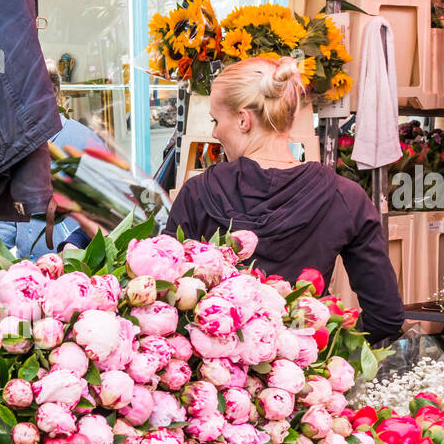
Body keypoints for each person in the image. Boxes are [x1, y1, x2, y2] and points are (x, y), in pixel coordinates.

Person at [164, 55, 405, 343]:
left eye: (216, 120)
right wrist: (322, 352)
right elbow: (386, 317)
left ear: (243, 119)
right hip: (309, 378)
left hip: (219, 376)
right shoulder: (346, 197)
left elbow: (166, 299)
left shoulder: (197, 193)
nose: (215, 132)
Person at [0, 65, 105, 259]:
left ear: (54, 97)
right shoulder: (17, 146)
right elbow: (11, 216)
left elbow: (105, 213)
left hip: (73, 272)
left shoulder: (87, 143)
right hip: (29, 272)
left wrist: (74, 247)